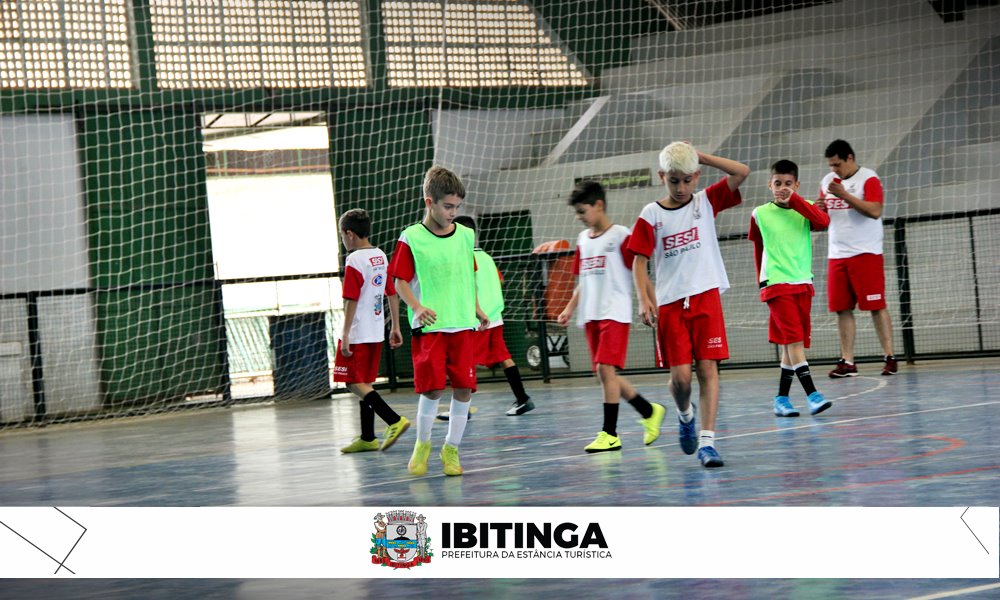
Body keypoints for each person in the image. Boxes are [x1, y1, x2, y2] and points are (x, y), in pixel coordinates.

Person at [629, 141, 750, 468]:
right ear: (661, 177)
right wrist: (644, 299)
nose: (681, 188)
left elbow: (742, 172)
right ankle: (685, 416)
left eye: (687, 179)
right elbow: (639, 260)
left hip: (705, 298)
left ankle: (708, 443)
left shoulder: (706, 202)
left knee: (707, 368)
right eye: (674, 180)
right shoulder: (651, 214)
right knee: (681, 378)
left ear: (696, 176)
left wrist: (702, 156)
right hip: (670, 304)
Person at [388, 166, 489, 477]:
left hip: (462, 324)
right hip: (430, 327)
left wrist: (476, 308)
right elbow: (399, 281)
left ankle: (451, 449)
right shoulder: (412, 238)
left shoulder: (465, 236)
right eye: (448, 206)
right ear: (429, 201)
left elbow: (466, 274)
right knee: (431, 390)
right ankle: (423, 444)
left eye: (457, 207)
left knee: (464, 389)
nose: (453, 213)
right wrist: (416, 307)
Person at [556, 180, 665, 454]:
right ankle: (649, 411)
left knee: (606, 370)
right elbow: (584, 280)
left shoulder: (620, 235)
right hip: (590, 314)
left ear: (599, 205)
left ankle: (610, 434)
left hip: (613, 313)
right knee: (604, 376)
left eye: (582, 211)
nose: (579, 217)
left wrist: (651, 301)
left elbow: (640, 270)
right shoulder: (583, 240)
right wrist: (570, 307)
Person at [748, 160, 833, 417]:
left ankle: (781, 399)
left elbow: (824, 221)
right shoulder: (759, 213)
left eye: (788, 184)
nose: (782, 188)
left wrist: (797, 201)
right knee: (795, 341)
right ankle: (813, 395)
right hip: (776, 284)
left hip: (802, 283)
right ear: (769, 185)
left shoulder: (804, 208)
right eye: (777, 183)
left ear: (796, 185)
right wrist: (761, 282)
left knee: (789, 344)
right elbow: (758, 248)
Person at [436, 215, 534, 420]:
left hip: (476, 319)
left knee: (464, 361)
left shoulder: (464, 258)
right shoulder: (487, 257)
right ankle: (523, 398)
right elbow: (500, 279)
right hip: (495, 317)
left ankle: (462, 409)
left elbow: (465, 288)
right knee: (504, 357)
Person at [818, 139, 898, 377]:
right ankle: (848, 361)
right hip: (837, 254)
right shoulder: (827, 181)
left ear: (850, 158)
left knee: (876, 306)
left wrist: (844, 195)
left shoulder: (868, 178)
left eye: (837, 164)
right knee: (841, 309)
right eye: (831, 165)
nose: (834, 170)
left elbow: (875, 211)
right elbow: (823, 219)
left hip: (866, 253)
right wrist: (818, 208)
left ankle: (890, 356)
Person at [335, 208, 410, 453]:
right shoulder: (380, 256)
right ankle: (368, 437)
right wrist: (395, 326)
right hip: (376, 330)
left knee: (352, 382)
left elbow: (351, 299)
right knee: (365, 381)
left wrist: (345, 335)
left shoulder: (354, 259)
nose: (343, 240)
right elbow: (391, 292)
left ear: (349, 234)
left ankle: (394, 420)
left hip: (357, 332)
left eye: (342, 236)